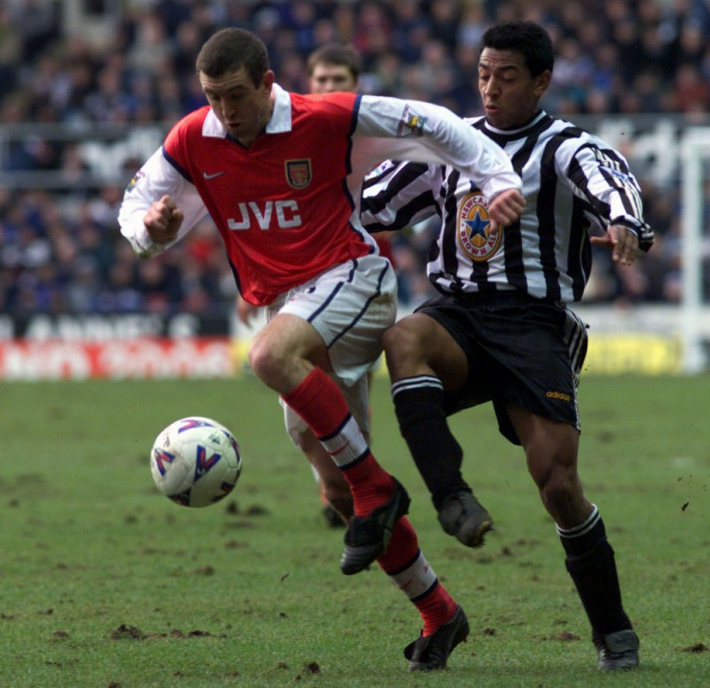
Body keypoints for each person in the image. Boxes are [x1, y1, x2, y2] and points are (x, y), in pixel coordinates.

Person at [118, 27, 525, 671]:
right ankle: (439, 612)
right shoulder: (194, 138)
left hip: (352, 277)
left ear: (267, 82)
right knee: (335, 486)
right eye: (212, 97)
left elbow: (435, 121)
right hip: (294, 307)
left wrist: (497, 177)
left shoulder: (326, 118)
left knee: (269, 359)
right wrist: (151, 230)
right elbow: (137, 205)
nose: (224, 111)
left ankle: (380, 490)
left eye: (235, 96)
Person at [361, 21, 651, 671]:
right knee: (404, 337)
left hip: (532, 327)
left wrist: (627, 221)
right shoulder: (450, 145)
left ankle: (613, 629)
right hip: (457, 316)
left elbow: (611, 184)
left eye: (507, 77)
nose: (490, 89)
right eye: (484, 75)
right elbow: (370, 202)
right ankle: (451, 496)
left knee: (558, 486)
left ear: (542, 81)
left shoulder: (566, 147)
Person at [236, 41, 384, 530]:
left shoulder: (368, 140)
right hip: (297, 284)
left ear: (355, 88)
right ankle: (342, 483)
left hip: (354, 278)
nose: (327, 89)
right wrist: (253, 283)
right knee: (302, 409)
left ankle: (349, 485)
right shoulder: (297, 139)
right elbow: (265, 216)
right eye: (319, 81)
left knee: (337, 390)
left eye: (337, 82)